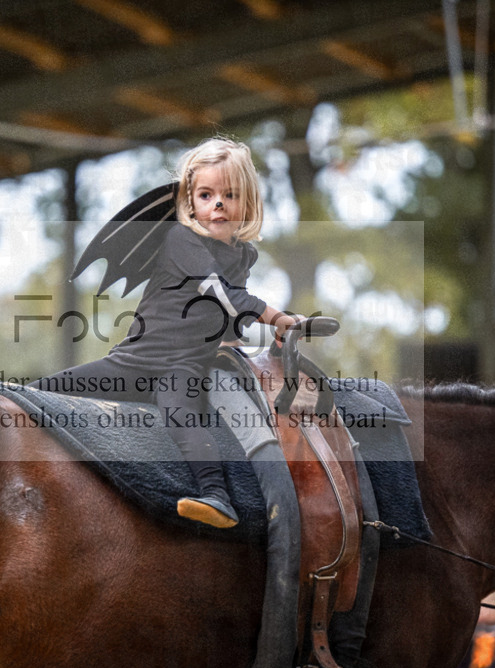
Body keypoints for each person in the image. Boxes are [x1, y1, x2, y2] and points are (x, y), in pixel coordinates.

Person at [33, 136, 298, 529]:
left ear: (249, 203)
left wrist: (246, 339)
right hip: (133, 362)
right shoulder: (181, 239)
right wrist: (278, 318)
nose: (218, 204)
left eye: (230, 195)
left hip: (184, 368)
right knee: (44, 391)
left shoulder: (245, 255)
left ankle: (217, 498)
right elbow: (222, 293)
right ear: (190, 202)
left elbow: (229, 317)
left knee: (185, 421)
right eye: (206, 195)